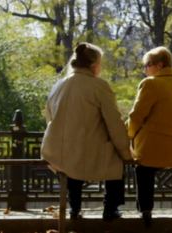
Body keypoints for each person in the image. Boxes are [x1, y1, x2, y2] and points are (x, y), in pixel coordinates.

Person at [41, 42, 132, 221]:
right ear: (93, 66)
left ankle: (74, 209)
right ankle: (110, 209)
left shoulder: (57, 86)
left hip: (59, 151)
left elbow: (49, 119)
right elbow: (114, 122)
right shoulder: (99, 86)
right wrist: (125, 152)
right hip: (90, 151)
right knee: (116, 161)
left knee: (71, 166)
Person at [125, 46, 172, 227]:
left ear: (159, 65)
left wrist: (127, 136)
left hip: (155, 150)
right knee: (146, 166)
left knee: (142, 167)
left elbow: (136, 117)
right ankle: (145, 212)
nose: (144, 70)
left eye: (147, 65)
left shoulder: (151, 84)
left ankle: (145, 211)